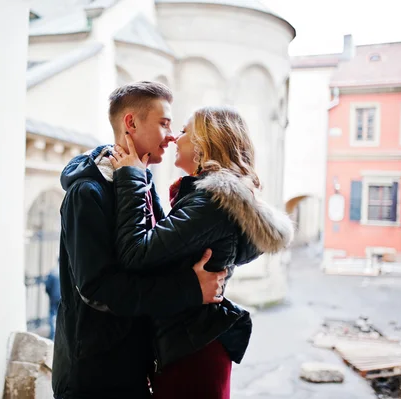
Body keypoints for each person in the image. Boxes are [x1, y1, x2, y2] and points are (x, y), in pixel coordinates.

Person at [53, 82, 228, 399]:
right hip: (96, 376)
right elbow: (99, 289)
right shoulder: (87, 193)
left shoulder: (138, 181)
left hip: (135, 366)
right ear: (131, 123)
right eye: (164, 124)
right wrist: (190, 289)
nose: (173, 135)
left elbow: (152, 260)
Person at [108, 105, 295, 399]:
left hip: (192, 353)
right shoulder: (208, 201)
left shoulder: (210, 204)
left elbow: (136, 253)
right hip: (192, 344)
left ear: (203, 145)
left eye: (183, 131)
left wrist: (130, 177)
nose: (173, 138)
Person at [44, 267, 60, 340]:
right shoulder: (65, 271)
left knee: (53, 316)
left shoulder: (53, 272)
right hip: (62, 298)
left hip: (54, 298)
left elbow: (47, 287)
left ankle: (53, 336)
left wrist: (51, 295)